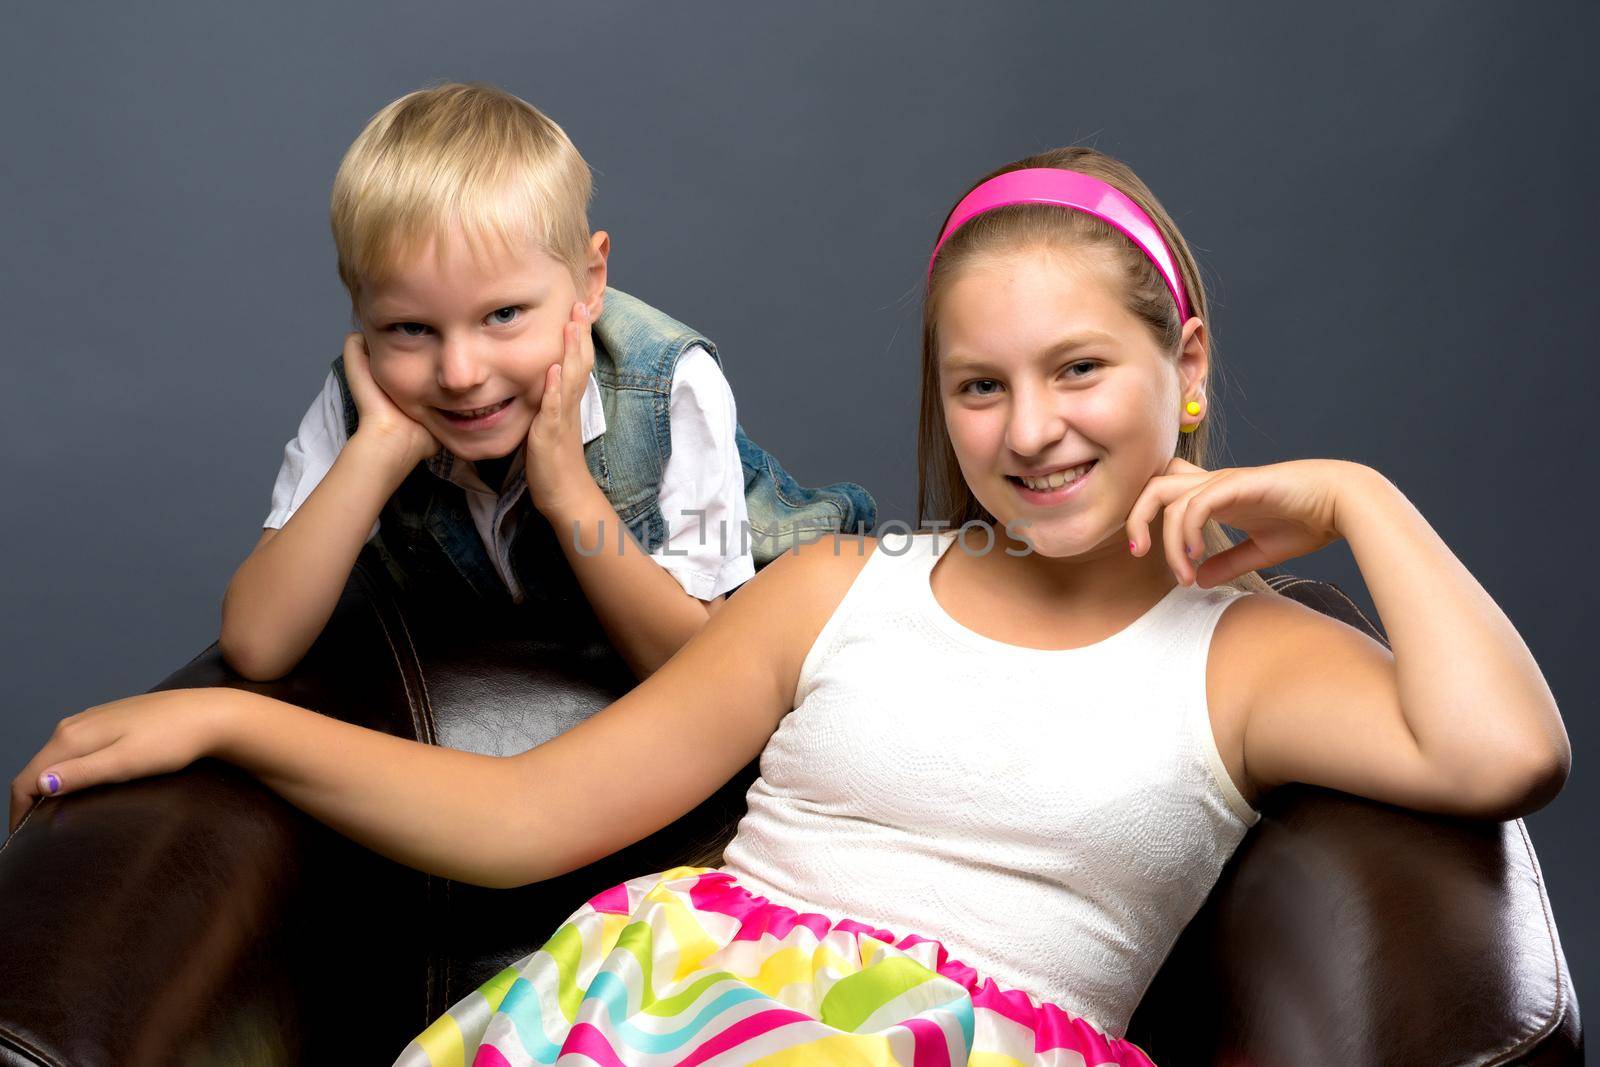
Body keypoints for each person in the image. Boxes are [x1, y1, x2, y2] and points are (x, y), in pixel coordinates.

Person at [8, 147, 1570, 1065]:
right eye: (980, 385)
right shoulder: (842, 586)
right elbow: (522, 818)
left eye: (1080, 369)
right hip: (657, 999)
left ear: (1191, 360)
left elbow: (1509, 753)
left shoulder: (1253, 657)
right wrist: (233, 712)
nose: (1031, 430)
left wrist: (1359, 496)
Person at [218, 82, 876, 683]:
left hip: (795, 616)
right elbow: (256, 644)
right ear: (361, 311)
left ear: (590, 284)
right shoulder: (366, 405)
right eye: (410, 329)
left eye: (502, 315)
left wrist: (565, 486)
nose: (460, 374)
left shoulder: (669, 384)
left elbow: (699, 669)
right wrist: (376, 451)